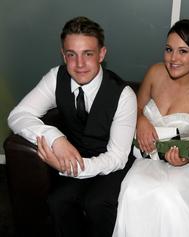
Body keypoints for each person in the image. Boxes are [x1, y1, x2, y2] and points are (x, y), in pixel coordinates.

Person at [7, 16, 137, 237]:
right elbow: (18, 115)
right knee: (58, 201)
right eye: (71, 55)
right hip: (75, 154)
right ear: (63, 55)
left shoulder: (123, 95)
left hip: (113, 163)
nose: (79, 64)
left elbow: (117, 157)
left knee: (97, 203)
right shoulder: (55, 78)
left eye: (88, 54)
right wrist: (54, 137)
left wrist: (70, 167)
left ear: (102, 54)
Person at [112, 19, 189, 237]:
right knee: (132, 191)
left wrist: (188, 157)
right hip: (148, 158)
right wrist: (141, 119)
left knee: (167, 196)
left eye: (183, 51)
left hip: (187, 167)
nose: (173, 59)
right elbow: (134, 107)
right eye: (169, 49)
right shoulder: (155, 73)